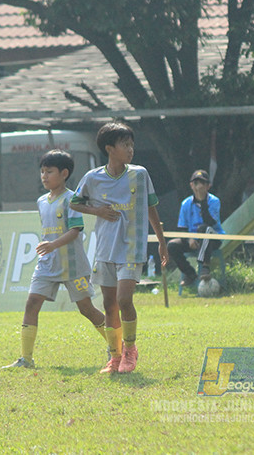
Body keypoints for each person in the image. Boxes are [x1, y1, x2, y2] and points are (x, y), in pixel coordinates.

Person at [71, 122, 168, 374]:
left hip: (131, 247)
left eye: (131, 144)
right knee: (109, 305)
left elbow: (151, 208)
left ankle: (130, 350)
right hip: (105, 249)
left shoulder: (140, 174)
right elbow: (75, 203)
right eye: (125, 144)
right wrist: (97, 210)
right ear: (110, 148)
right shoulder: (92, 178)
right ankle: (114, 357)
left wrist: (161, 240)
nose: (131, 149)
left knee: (124, 300)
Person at [2, 150, 107, 370]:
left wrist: (52, 245)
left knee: (86, 309)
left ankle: (116, 347)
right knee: (31, 303)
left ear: (64, 173)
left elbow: (76, 230)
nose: (44, 176)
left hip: (73, 265)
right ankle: (26, 359)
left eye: (49, 171)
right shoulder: (41, 201)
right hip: (47, 264)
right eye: (42, 171)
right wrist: (48, 247)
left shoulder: (72, 200)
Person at [168, 169, 225, 287]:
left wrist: (203, 201)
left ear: (208, 186)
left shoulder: (214, 201)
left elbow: (210, 222)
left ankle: (204, 266)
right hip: (193, 239)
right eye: (196, 183)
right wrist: (189, 239)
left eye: (202, 183)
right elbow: (182, 227)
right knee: (172, 245)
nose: (199, 186)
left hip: (212, 238)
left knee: (204, 229)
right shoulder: (186, 204)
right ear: (191, 185)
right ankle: (190, 274)